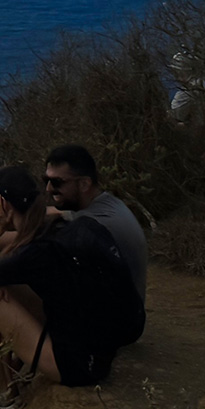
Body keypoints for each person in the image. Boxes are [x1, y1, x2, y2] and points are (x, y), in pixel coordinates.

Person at [0, 165, 142, 409]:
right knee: (0, 286)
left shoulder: (34, 254)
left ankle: (2, 394)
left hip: (76, 367)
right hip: (99, 351)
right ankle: (6, 374)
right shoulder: (67, 226)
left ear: (4, 208)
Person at [44, 143, 145, 341]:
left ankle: (9, 367)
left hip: (119, 327)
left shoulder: (95, 225)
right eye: (45, 180)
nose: (48, 188)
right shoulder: (106, 205)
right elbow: (57, 214)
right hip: (130, 315)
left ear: (84, 184)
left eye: (56, 182)